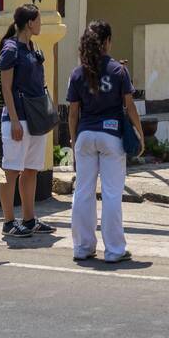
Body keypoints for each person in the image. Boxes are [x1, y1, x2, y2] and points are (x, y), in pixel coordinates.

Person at [67, 20, 144, 264]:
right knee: (111, 194)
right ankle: (114, 250)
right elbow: (130, 107)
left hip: (85, 136)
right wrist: (140, 135)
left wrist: (73, 139)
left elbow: (72, 113)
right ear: (108, 41)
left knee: (83, 192)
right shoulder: (119, 71)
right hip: (111, 136)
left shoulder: (78, 73)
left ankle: (82, 247)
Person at [0, 5, 55, 240]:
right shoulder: (11, 49)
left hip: (35, 117)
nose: (41, 24)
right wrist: (13, 120)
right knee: (11, 170)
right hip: (18, 117)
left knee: (31, 169)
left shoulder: (33, 47)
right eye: (39, 20)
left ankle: (29, 219)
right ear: (30, 23)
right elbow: (6, 88)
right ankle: (8, 221)